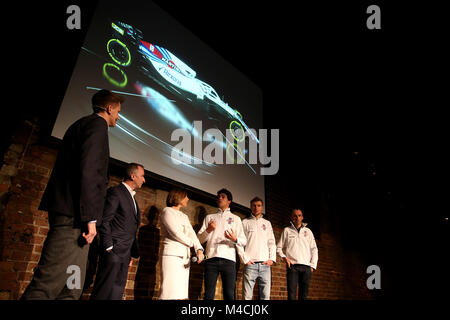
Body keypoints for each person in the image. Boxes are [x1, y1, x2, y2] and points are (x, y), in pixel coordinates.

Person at [21, 89, 123, 300]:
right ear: (109, 108)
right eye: (118, 111)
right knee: (47, 284)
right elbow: (89, 172)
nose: (118, 117)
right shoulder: (96, 125)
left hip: (79, 222)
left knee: (72, 288)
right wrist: (91, 218)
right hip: (75, 218)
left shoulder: (83, 124)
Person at [90, 163, 145, 300]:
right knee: (103, 291)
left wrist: (129, 253)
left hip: (125, 254)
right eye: (142, 176)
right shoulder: (116, 192)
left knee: (116, 292)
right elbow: (105, 220)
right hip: (113, 251)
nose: (144, 180)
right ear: (133, 176)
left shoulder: (132, 198)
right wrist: (109, 246)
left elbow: (130, 228)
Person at [197, 188, 246, 300]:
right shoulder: (209, 217)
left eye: (223, 196)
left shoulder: (236, 219)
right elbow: (199, 240)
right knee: (208, 294)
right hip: (211, 259)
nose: (219, 198)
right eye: (218, 196)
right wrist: (208, 230)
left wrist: (235, 239)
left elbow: (244, 241)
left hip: (229, 260)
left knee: (229, 295)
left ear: (229, 201)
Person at [158, 188, 204, 300]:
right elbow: (175, 232)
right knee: (168, 292)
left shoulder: (184, 216)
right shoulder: (167, 211)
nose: (188, 199)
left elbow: (192, 234)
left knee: (180, 293)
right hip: (172, 256)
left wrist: (199, 249)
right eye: (185, 196)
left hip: (184, 257)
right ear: (178, 197)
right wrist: (190, 242)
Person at [277, 208, 318, 300]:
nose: (297, 217)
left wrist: (312, 266)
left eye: (299, 215)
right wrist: (285, 258)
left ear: (302, 217)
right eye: (295, 216)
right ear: (291, 217)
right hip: (293, 267)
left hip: (306, 267)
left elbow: (314, 249)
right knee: (291, 296)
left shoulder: (308, 232)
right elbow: (278, 248)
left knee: (303, 296)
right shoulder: (287, 230)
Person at [241, 197, 276, 300]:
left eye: (259, 205)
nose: (256, 208)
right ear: (250, 207)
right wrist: (245, 259)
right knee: (247, 296)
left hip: (265, 265)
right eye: (254, 205)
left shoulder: (267, 223)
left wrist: (272, 259)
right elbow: (241, 243)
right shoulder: (245, 222)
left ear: (262, 207)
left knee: (265, 297)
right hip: (250, 265)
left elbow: (271, 242)